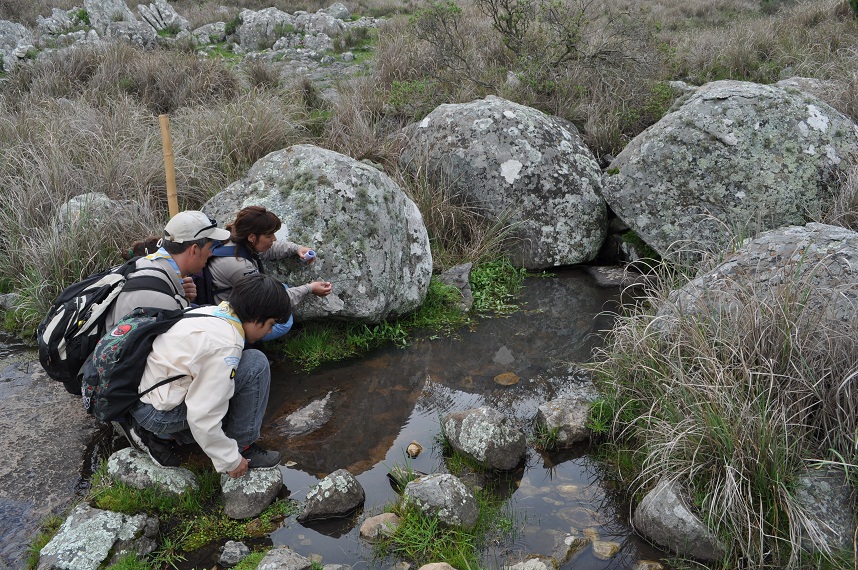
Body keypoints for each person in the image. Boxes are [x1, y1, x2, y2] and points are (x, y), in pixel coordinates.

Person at [121, 273, 292, 477]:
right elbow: (202, 415)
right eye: (271, 324)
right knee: (256, 364)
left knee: (229, 396)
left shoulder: (210, 312)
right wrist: (230, 459)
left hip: (143, 394)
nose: (269, 331)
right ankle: (243, 447)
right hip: (156, 412)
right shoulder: (226, 344)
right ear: (257, 318)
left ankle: (161, 435)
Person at [205, 205, 332, 341]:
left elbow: (267, 250)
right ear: (252, 237)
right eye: (269, 235)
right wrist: (309, 288)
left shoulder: (235, 240)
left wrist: (297, 248)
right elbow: (268, 301)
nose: (274, 239)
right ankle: (246, 340)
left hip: (238, 298)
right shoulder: (240, 266)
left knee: (281, 288)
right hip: (230, 319)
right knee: (285, 322)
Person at [105, 210, 231, 329]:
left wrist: (182, 298)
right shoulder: (163, 301)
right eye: (210, 247)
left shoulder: (144, 264)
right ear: (194, 249)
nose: (210, 253)